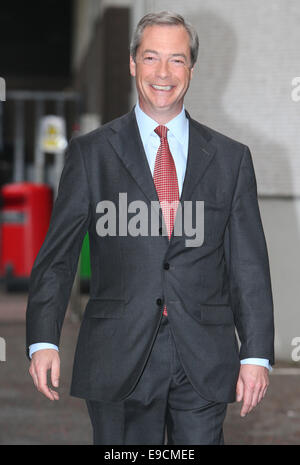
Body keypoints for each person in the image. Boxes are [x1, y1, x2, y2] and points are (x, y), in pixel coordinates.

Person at [26, 11, 275, 445]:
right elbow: (58, 257)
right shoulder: (92, 155)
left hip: (203, 359)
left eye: (177, 60)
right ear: (132, 63)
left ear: (191, 70)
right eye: (151, 57)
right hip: (117, 358)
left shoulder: (232, 160)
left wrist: (256, 353)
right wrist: (43, 339)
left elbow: (249, 267)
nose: (163, 73)